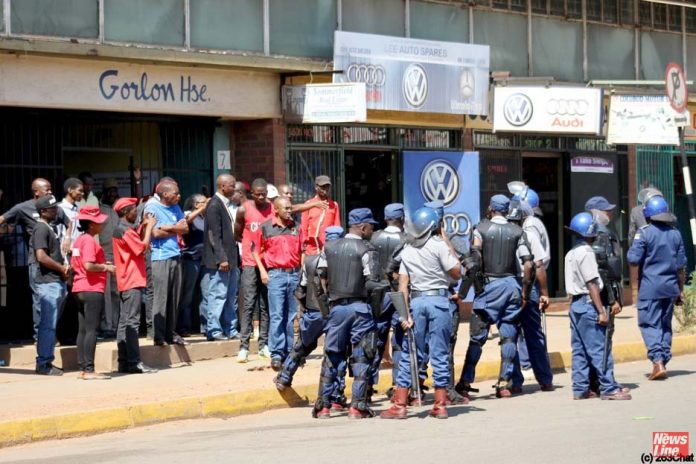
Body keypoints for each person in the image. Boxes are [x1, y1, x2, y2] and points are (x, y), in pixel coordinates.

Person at [381, 206, 462, 420]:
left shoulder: (408, 249)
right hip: (438, 301)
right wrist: (446, 242)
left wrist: (404, 315)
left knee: (409, 353)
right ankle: (440, 405)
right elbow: (457, 272)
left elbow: (402, 286)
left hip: (416, 303)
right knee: (440, 353)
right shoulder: (438, 246)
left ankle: (400, 405)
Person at [455, 195, 533, 399]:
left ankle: (465, 382)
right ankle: (504, 383)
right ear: (507, 210)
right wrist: (525, 291)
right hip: (511, 287)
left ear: (490, 208)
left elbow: (475, 258)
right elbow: (528, 263)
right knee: (509, 336)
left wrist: (465, 290)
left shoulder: (480, 229)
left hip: (488, 288)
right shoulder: (518, 231)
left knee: (477, 338)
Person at [312, 208, 382, 419]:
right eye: (370, 225)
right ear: (362, 227)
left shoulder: (329, 247)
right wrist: (375, 311)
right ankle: (357, 405)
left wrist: (327, 310)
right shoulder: (367, 249)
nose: (372, 229)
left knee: (332, 355)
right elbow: (372, 284)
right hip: (360, 308)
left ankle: (324, 406)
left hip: (336, 309)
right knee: (362, 355)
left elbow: (318, 280)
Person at [565, 212, 631, 400]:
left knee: (579, 350)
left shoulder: (571, 253)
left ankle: (580, 388)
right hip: (587, 304)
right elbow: (592, 283)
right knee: (598, 349)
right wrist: (601, 310)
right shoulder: (586, 253)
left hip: (576, 305)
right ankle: (609, 388)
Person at [274, 226, 345, 391]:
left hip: (314, 312)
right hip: (337, 312)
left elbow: (300, 291)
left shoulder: (309, 261)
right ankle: (336, 393)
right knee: (337, 352)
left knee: (303, 346)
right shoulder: (346, 261)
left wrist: (305, 311)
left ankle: (284, 377)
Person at [0, 178, 72, 341]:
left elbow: (70, 223)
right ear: (36, 191)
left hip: (56, 259)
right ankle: (40, 335)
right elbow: (3, 219)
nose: (50, 191)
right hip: (37, 262)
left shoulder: (54, 207)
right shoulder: (22, 208)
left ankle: (48, 331)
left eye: (51, 188)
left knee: (62, 295)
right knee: (41, 299)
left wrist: (67, 237)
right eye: (46, 189)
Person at [627, 195, 686, 380]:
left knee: (649, 324)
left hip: (650, 288)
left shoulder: (644, 233)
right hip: (670, 288)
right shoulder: (676, 233)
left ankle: (657, 360)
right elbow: (681, 266)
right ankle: (663, 360)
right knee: (665, 325)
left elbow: (633, 259)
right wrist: (680, 290)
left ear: (648, 214)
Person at [507, 186, 554, 391]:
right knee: (534, 334)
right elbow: (539, 265)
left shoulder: (504, 235)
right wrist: (544, 293)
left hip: (509, 287)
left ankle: (514, 382)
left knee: (510, 334)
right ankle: (545, 380)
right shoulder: (529, 234)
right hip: (529, 287)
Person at [112, 197, 158, 374]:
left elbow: (134, 240)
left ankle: (124, 361)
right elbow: (141, 248)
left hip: (126, 279)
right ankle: (134, 362)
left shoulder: (122, 229)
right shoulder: (124, 229)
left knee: (124, 321)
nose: (135, 213)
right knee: (132, 321)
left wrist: (143, 227)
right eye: (133, 210)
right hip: (132, 279)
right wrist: (150, 228)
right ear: (125, 212)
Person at [255, 196, 302, 370]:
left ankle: (290, 351)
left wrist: (301, 271)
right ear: (276, 210)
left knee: (291, 316)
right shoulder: (266, 228)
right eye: (286, 209)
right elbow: (255, 250)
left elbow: (302, 250)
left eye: (290, 208)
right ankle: (276, 353)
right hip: (276, 275)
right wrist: (262, 271)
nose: (289, 211)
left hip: (294, 274)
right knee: (276, 315)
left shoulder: (296, 228)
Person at [71, 205, 115, 380]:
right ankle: (89, 370)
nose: (101, 225)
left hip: (79, 287)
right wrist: (106, 267)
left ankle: (83, 367)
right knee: (91, 330)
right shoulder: (89, 241)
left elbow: (79, 263)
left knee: (83, 330)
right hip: (91, 288)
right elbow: (88, 265)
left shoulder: (79, 240)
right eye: (98, 222)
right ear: (91, 224)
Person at [234, 178, 274, 362]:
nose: (260, 197)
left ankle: (264, 345)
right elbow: (237, 231)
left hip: (267, 262)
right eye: (257, 194)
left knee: (266, 304)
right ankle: (243, 347)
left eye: (263, 194)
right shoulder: (244, 209)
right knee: (249, 303)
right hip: (250, 261)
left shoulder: (273, 208)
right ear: (252, 194)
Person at [369, 203, 406, 394]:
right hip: (398, 293)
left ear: (385, 218)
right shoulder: (406, 239)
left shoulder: (374, 237)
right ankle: (397, 385)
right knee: (399, 339)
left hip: (378, 294)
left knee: (377, 338)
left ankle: (368, 383)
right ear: (402, 219)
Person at [146, 180, 189, 346]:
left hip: (176, 255)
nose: (179, 196)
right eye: (175, 193)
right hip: (160, 256)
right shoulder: (152, 207)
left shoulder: (176, 208)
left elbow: (185, 229)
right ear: (165, 194)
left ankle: (170, 333)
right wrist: (175, 228)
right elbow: (155, 233)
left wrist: (168, 228)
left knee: (174, 297)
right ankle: (158, 335)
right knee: (161, 297)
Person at [31, 195, 70, 376]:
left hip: (56, 281)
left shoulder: (49, 227)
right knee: (48, 325)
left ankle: (46, 361)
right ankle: (44, 363)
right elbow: (41, 256)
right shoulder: (40, 228)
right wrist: (61, 267)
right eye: (52, 209)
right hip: (48, 283)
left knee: (51, 324)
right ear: (43, 211)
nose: (56, 211)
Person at [202, 175, 240, 341]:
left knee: (231, 296)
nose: (235, 188)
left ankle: (230, 329)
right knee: (218, 295)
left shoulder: (225, 203)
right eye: (232, 185)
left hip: (232, 259)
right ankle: (214, 330)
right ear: (222, 186)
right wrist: (221, 258)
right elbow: (213, 235)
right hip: (221, 261)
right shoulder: (214, 205)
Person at [177, 194, 207, 337]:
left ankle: (204, 327)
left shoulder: (205, 217)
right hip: (191, 259)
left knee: (205, 294)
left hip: (205, 260)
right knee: (187, 295)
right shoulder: (189, 215)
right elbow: (185, 222)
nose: (205, 204)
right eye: (202, 202)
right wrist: (200, 210)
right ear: (195, 204)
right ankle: (184, 327)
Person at [99, 178, 121, 339]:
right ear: (105, 193)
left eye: (115, 191)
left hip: (118, 256)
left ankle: (116, 324)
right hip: (104, 256)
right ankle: (106, 325)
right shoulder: (99, 210)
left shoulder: (118, 209)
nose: (113, 194)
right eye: (110, 191)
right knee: (105, 293)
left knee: (115, 292)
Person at [300, 175, 341, 256]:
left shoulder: (334, 205)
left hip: (329, 248)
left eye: (327, 187)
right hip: (312, 248)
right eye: (322, 187)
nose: (325, 189)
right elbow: (304, 228)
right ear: (316, 187)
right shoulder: (309, 204)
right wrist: (304, 248)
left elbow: (337, 227)